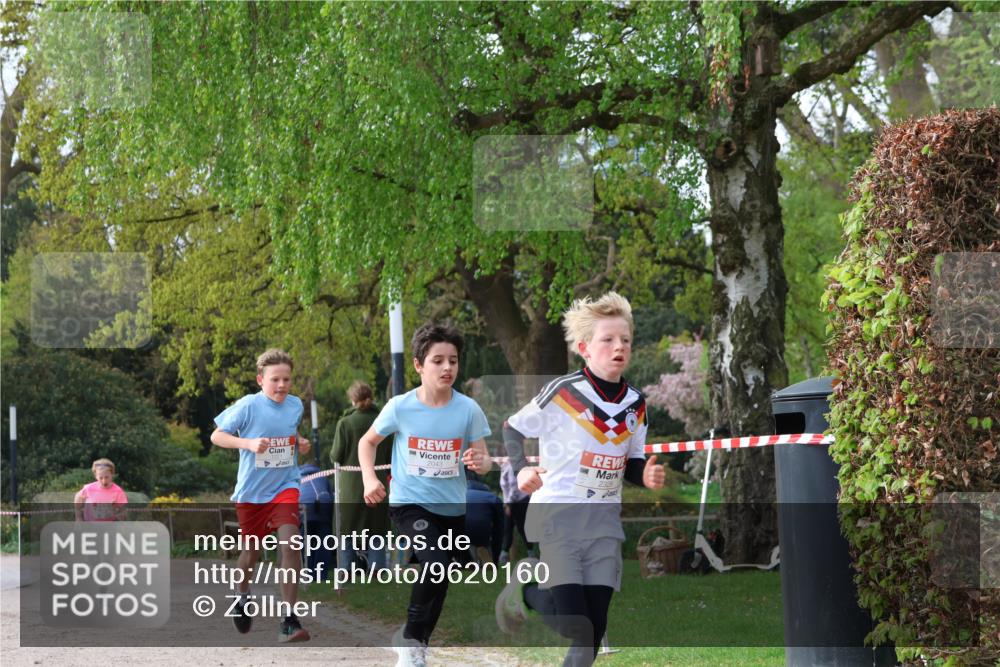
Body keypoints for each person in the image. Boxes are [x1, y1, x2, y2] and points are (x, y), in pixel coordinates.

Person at [495, 292, 666, 667]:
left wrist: (645, 475)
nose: (619, 347)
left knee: (594, 627)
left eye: (625, 340)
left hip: (604, 522)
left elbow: (631, 461)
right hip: (559, 515)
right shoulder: (565, 392)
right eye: (608, 340)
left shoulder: (636, 403)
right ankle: (524, 593)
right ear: (585, 348)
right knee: (576, 624)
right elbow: (512, 427)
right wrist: (522, 468)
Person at [358, 323, 492, 667]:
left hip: (452, 508)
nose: (447, 368)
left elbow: (485, 459)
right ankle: (411, 640)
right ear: (419, 365)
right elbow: (367, 442)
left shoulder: (468, 409)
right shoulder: (400, 407)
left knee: (441, 576)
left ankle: (417, 643)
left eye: (453, 361)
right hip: (409, 504)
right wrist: (370, 479)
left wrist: (481, 462)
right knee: (436, 564)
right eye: (438, 361)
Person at [211, 348, 313, 643]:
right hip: (253, 493)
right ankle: (241, 595)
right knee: (250, 555)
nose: (281, 385)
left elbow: (288, 432)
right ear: (260, 380)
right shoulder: (248, 405)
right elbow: (217, 436)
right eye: (275, 380)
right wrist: (248, 443)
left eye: (286, 379)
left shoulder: (295, 405)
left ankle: (289, 620)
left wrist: (299, 441)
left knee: (291, 543)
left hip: (285, 485)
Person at [330, 380, 391, 573]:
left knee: (346, 529)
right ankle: (377, 568)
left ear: (352, 399)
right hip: (378, 482)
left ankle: (346, 569)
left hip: (350, 487)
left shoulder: (345, 423)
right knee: (377, 528)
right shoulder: (383, 422)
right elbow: (390, 456)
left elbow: (336, 456)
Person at [499, 459, 533, 564]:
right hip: (515, 501)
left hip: (518, 501)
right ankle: (530, 553)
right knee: (513, 528)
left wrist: (509, 504)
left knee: (517, 528)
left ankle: (504, 556)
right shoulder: (505, 467)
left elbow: (513, 486)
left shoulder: (510, 467)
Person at [465, 474, 504, 564]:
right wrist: (495, 559)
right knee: (495, 531)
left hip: (461, 534)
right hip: (483, 533)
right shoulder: (492, 497)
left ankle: (468, 560)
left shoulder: (454, 496)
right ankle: (487, 555)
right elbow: (499, 530)